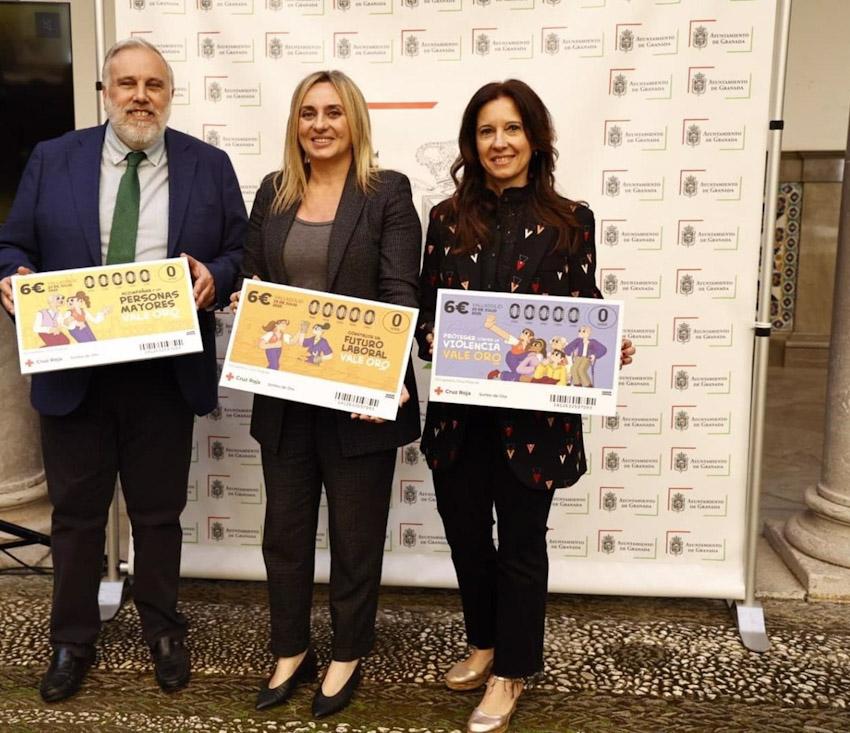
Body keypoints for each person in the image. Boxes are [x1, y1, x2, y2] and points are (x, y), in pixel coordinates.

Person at [0, 38, 246, 702]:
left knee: (158, 513)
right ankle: (71, 639)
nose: (139, 95)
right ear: (106, 91)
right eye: (126, 82)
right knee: (75, 515)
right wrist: (11, 278)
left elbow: (241, 249)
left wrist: (216, 274)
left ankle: (163, 629)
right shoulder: (53, 159)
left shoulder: (208, 166)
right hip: (77, 373)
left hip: (164, 373)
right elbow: (10, 243)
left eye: (153, 84)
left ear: (169, 94)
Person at [415, 79, 634, 733]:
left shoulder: (573, 220)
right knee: (466, 542)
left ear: (534, 139)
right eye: (486, 131)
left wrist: (604, 345)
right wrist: (431, 336)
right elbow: (429, 312)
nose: (499, 142)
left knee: (519, 547)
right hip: (460, 418)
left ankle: (512, 669)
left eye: (511, 128)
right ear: (472, 143)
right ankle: (483, 642)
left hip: (533, 425)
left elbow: (584, 307)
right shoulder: (445, 220)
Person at [230, 70, 421, 719]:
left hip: (359, 399)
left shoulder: (386, 193)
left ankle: (346, 651)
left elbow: (400, 288)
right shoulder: (274, 192)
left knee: (355, 535)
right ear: (295, 123)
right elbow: (257, 273)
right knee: (283, 533)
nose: (319, 123)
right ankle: (290, 647)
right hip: (284, 397)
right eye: (308, 112)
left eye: (332, 112)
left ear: (354, 120)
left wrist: (391, 370)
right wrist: (245, 299)